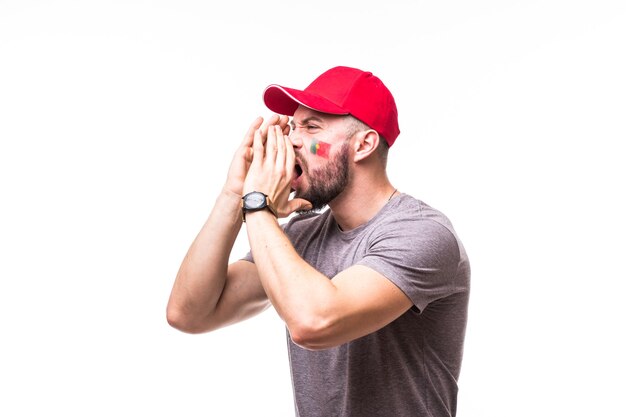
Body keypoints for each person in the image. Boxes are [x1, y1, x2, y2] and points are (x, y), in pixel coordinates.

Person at [166, 66, 470, 417]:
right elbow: (188, 313)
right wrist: (234, 193)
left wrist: (258, 204)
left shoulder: (422, 232)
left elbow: (314, 322)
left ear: (363, 145)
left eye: (312, 127)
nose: (293, 140)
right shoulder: (301, 235)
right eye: (293, 126)